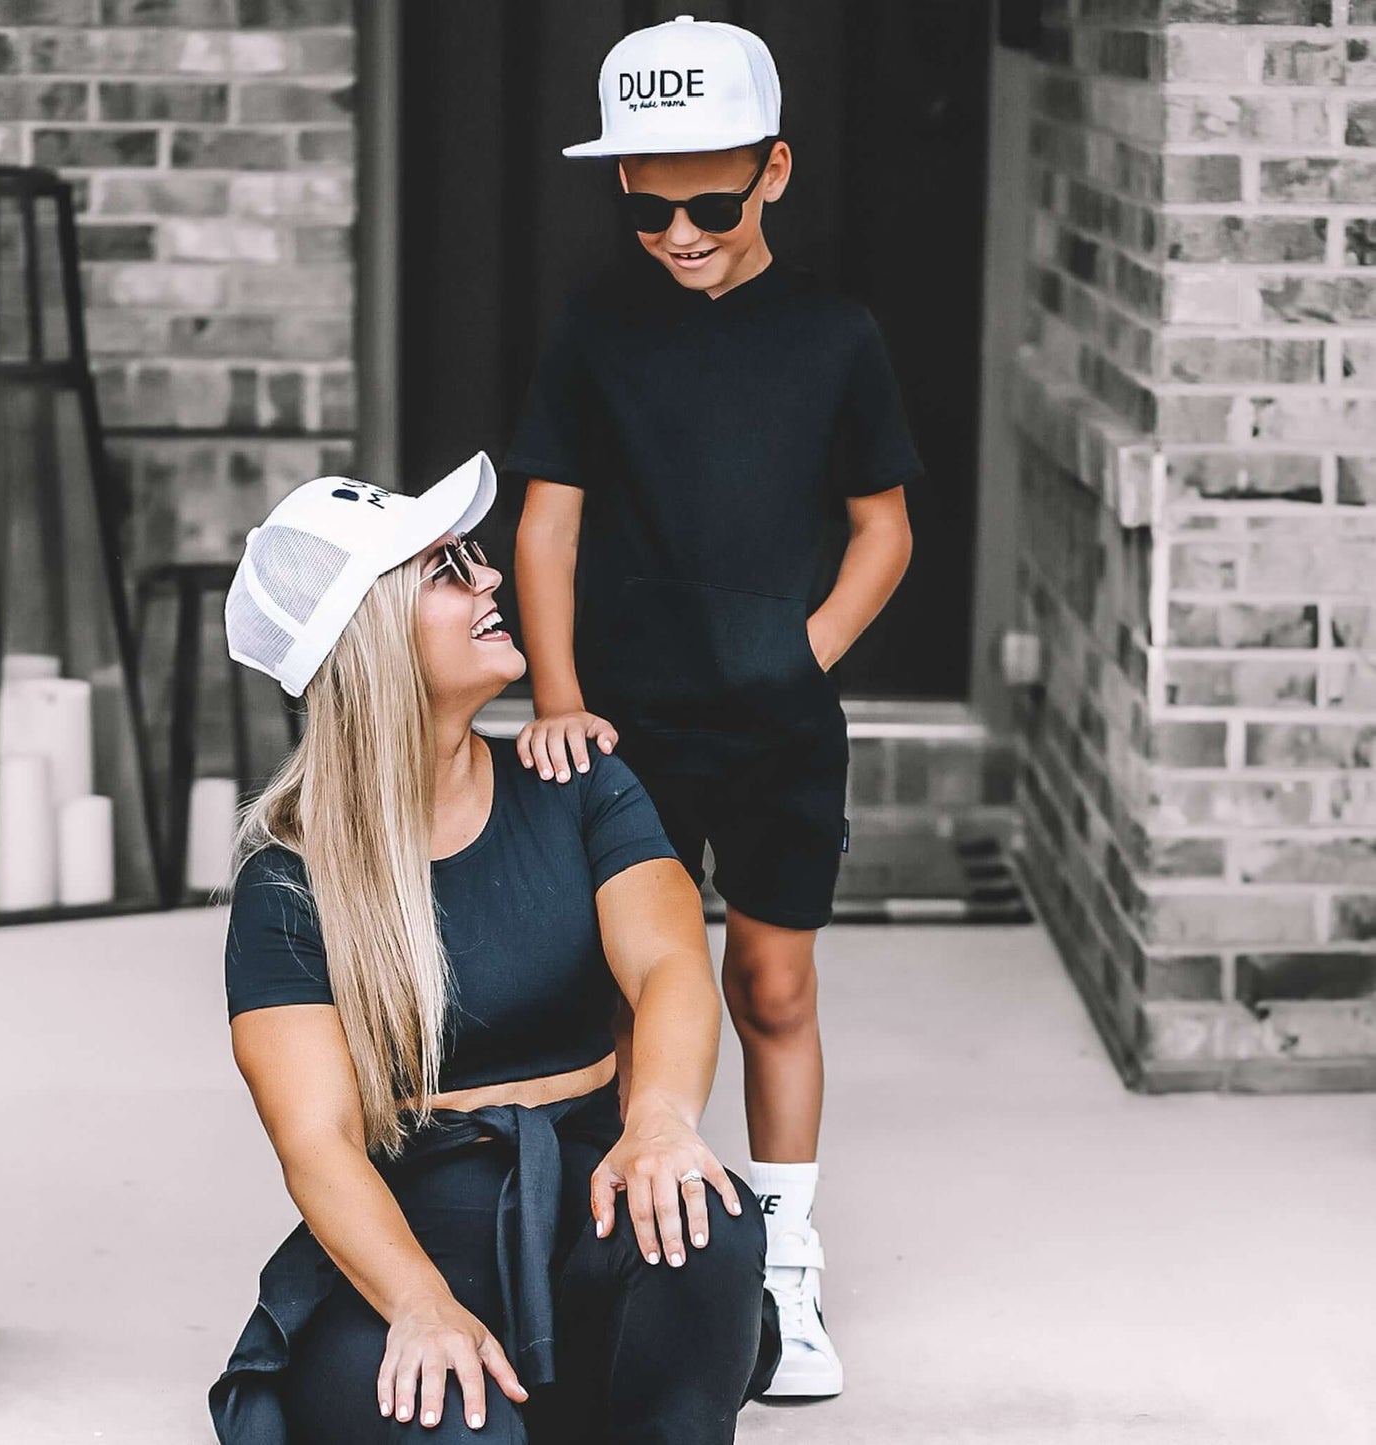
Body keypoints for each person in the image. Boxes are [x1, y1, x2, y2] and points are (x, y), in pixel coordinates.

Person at [507, 16, 921, 1399]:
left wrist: (803, 653)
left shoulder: (835, 337)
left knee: (770, 984)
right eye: (648, 208)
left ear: (773, 172)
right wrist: (556, 696)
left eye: (711, 204)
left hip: (775, 727)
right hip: (625, 728)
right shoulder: (595, 328)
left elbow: (884, 529)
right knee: (644, 985)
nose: (679, 234)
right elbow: (548, 524)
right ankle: (645, 1252)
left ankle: (784, 1264)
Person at [208, 453, 775, 1445]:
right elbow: (317, 1140)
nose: (491, 577)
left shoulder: (576, 785)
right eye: (446, 570)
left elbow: (670, 967)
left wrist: (657, 1120)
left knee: (706, 1224)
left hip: (587, 1203)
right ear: (372, 636)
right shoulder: (288, 885)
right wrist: (421, 1304)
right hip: (408, 1249)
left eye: (471, 555)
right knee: (455, 1422)